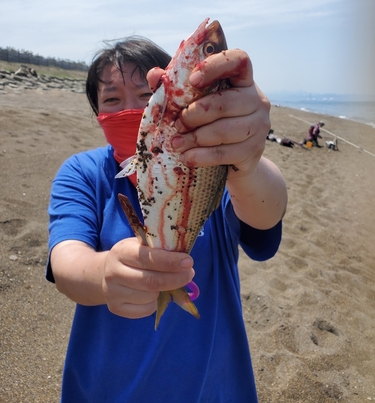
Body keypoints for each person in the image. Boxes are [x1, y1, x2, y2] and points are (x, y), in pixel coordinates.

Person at [47, 35, 288, 403]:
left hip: (212, 390)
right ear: (97, 114)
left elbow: (265, 216)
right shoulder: (83, 173)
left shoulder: (213, 166)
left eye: (146, 95)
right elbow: (66, 264)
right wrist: (105, 274)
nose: (131, 109)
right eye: (111, 99)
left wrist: (246, 160)